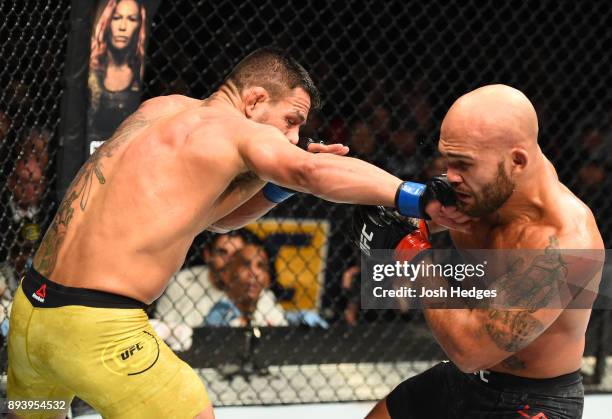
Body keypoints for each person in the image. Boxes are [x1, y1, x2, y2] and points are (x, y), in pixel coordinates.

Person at [8, 48, 464, 419]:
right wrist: (415, 197)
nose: (293, 137)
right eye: (291, 120)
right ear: (254, 100)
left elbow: (214, 218)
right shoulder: (236, 132)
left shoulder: (160, 110)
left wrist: (275, 187)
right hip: (98, 332)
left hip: (33, 318)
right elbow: (313, 169)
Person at [364, 84, 604, 419]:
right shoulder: (481, 187)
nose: (450, 176)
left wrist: (412, 254)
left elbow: (470, 350)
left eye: (463, 163)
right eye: (447, 160)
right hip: (464, 381)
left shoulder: (566, 243)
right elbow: (374, 200)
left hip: (533, 403)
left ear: (516, 161)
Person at [152, 229, 286, 350]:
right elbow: (162, 331)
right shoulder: (183, 282)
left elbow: (279, 330)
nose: (230, 261)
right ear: (207, 255)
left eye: (237, 254)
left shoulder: (254, 288)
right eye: (223, 253)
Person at [88, 0, 147, 143]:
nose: (123, 27)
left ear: (139, 25)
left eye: (131, 19)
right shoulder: (91, 71)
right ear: (107, 21)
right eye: (116, 18)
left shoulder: (140, 73)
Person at [205, 240, 286, 327]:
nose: (254, 273)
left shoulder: (269, 303)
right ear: (227, 274)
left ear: (268, 278)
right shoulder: (219, 313)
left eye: (261, 266)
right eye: (246, 265)